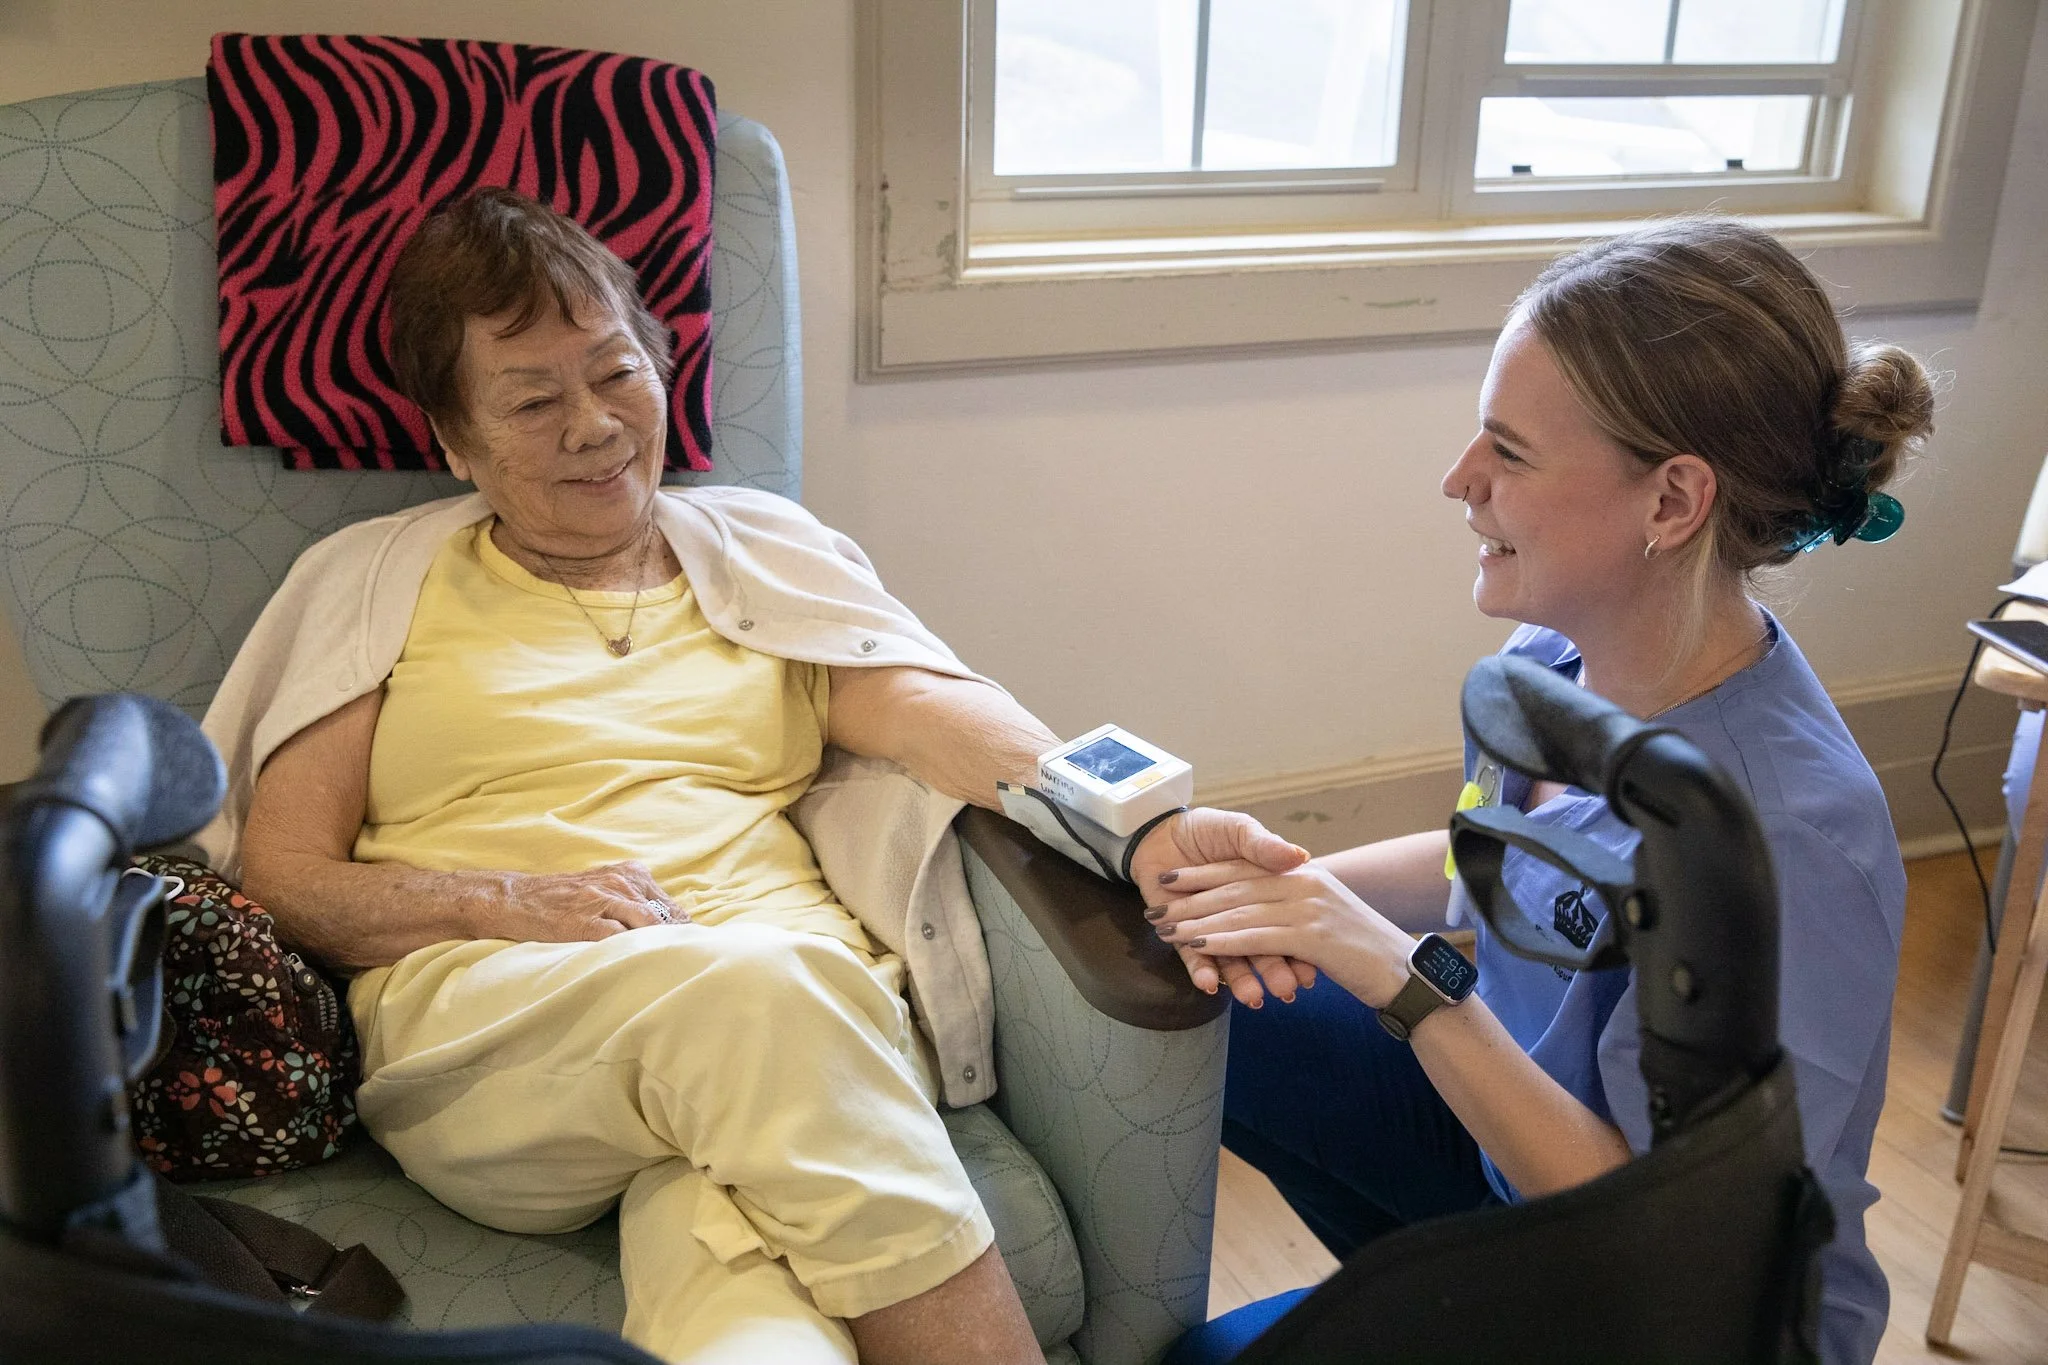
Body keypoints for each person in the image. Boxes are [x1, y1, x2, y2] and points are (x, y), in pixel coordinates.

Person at [198, 188, 1294, 1365]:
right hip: (500, 1028)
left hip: (810, 1030)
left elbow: (933, 708)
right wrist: (504, 901)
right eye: (531, 399)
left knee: (747, 1308)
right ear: (455, 440)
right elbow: (286, 874)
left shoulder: (763, 555)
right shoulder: (375, 583)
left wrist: (1135, 829)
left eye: (616, 373)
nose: (593, 426)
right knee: (759, 998)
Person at [1143, 216, 1933, 1365]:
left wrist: (1393, 973)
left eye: (1507, 454)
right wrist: (1279, 889)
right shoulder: (1552, 665)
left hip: (1667, 1306)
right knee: (1201, 982)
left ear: (1670, 504)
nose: (1457, 481)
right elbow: (1495, 856)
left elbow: (1664, 1236)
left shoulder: (1786, 842)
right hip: (1510, 1152)